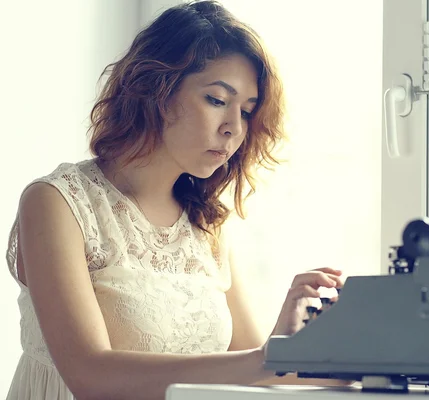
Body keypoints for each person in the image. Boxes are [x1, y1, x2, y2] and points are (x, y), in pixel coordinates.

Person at [5, 1, 344, 399]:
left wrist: (373, 361)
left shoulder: (207, 226)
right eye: (217, 100)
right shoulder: (58, 203)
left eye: (247, 111)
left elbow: (258, 372)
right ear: (158, 92)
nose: (234, 128)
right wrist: (267, 358)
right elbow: (89, 374)